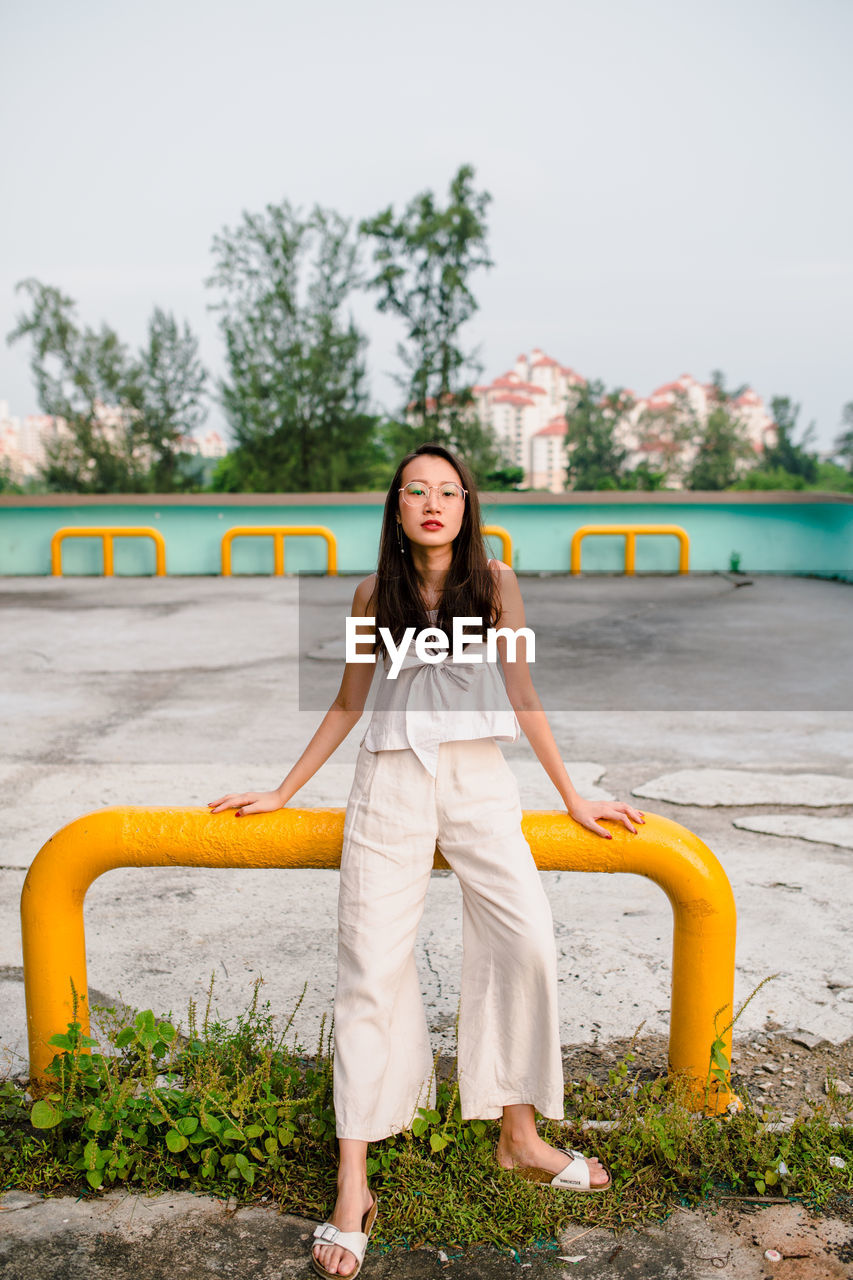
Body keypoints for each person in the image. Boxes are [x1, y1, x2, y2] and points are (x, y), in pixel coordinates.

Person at [208, 443, 645, 1279]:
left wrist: (573, 795)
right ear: (398, 508)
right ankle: (352, 1184)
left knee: (525, 945)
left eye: (448, 490)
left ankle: (517, 1137)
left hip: (481, 784)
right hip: (390, 786)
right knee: (369, 969)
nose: (433, 502)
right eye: (417, 490)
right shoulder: (372, 592)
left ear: (467, 505)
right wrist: (283, 789)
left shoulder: (497, 581)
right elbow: (348, 699)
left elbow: (521, 692)